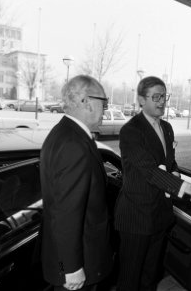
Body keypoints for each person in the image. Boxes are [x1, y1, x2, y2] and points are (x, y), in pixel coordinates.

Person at [114, 76, 191, 291]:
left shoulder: (167, 128)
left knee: (151, 275)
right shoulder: (131, 131)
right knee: (130, 278)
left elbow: (168, 162)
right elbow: (149, 170)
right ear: (141, 100)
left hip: (160, 215)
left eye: (164, 96)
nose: (162, 101)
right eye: (156, 97)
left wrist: (176, 174)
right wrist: (189, 189)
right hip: (136, 217)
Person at [40, 75, 114, 291]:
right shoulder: (74, 144)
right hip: (79, 263)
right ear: (86, 102)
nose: (106, 109)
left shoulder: (62, 134)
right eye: (104, 102)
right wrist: (71, 268)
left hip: (70, 257)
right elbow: (66, 212)